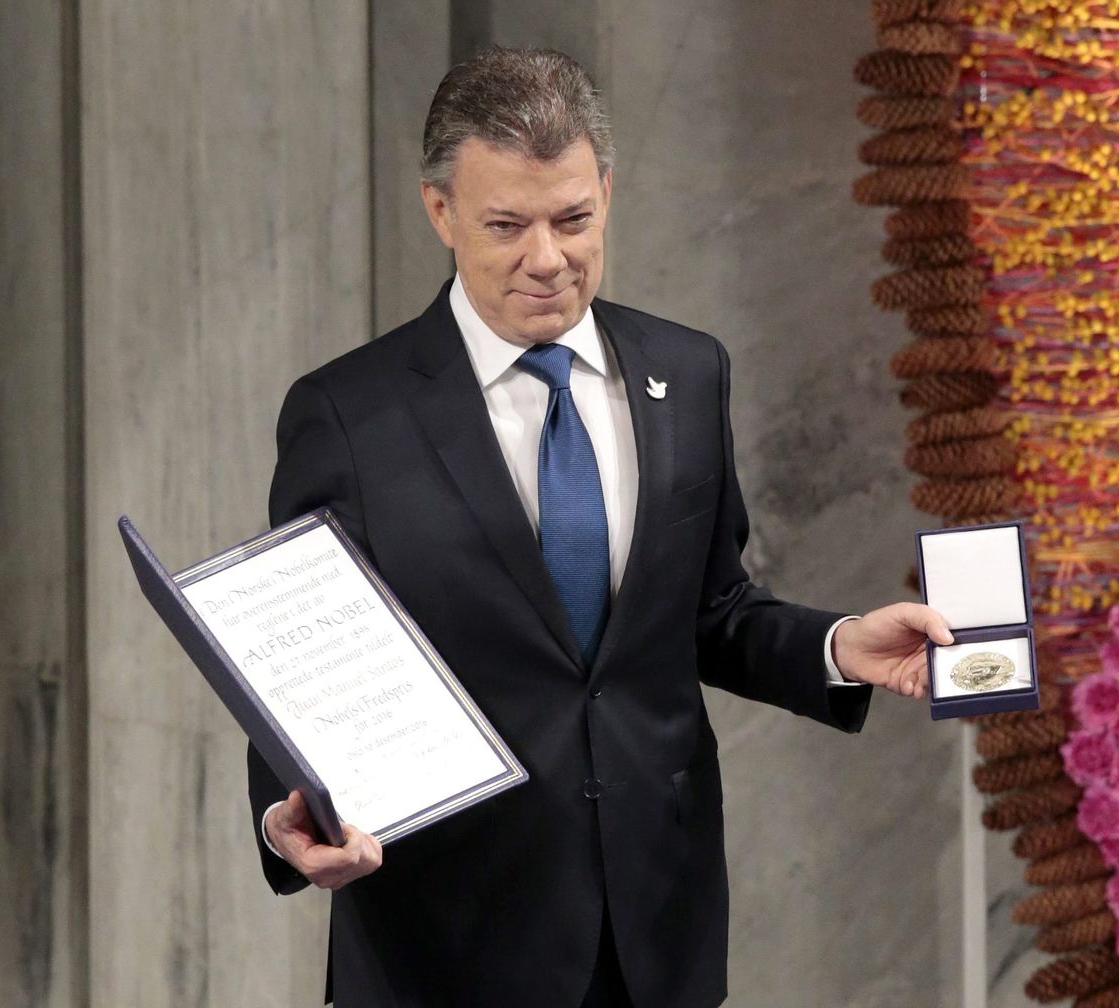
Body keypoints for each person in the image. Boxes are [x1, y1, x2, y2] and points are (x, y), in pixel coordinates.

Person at [247, 45, 953, 1008]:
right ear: (439, 211)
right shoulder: (347, 414)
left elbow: (711, 612)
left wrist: (837, 646)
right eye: (507, 225)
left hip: (657, 936)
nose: (548, 259)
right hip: (444, 948)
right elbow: (301, 664)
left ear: (608, 193)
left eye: (573, 218)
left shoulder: (689, 373)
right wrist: (291, 821)